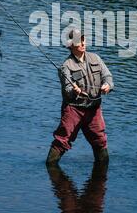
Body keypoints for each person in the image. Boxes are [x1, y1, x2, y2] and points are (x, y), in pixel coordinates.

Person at [46, 29, 114, 166]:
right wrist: (74, 91)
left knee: (100, 140)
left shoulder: (96, 58)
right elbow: (67, 88)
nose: (83, 43)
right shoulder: (66, 66)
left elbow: (108, 76)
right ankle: (50, 167)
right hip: (73, 110)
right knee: (62, 140)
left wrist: (108, 85)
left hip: (94, 109)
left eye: (83, 39)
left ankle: (103, 167)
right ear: (70, 45)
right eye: (78, 41)